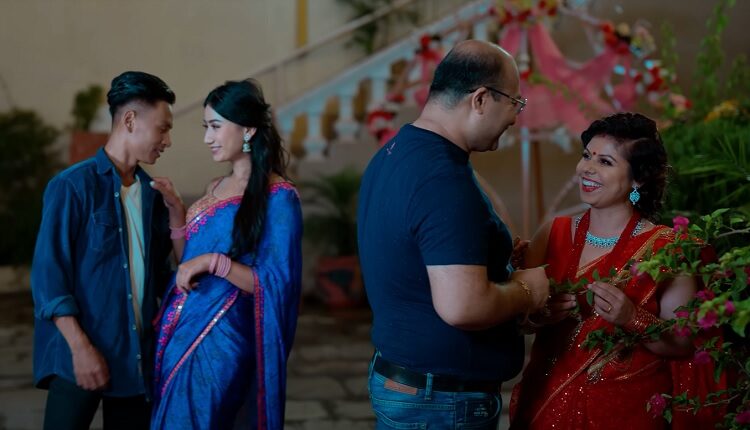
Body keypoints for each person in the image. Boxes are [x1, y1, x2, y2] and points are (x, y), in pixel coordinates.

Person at [357, 39, 550, 430]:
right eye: (515, 102)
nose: (515, 118)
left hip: (412, 381)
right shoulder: (441, 179)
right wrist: (527, 290)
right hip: (439, 401)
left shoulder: (399, 150)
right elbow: (463, 306)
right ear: (480, 99)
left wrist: (493, 257)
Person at [509, 112, 722, 429]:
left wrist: (632, 318)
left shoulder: (667, 249)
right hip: (547, 401)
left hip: (629, 410)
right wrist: (539, 316)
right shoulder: (553, 234)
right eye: (586, 156)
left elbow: (683, 343)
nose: (587, 169)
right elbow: (517, 320)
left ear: (638, 179)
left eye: (605, 162)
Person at [149, 79, 302, 430]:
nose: (208, 138)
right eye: (206, 127)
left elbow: (275, 283)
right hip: (181, 329)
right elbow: (187, 263)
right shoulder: (215, 187)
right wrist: (176, 212)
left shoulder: (279, 198)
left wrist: (214, 263)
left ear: (247, 129)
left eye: (216, 126)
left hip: (223, 341)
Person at [31, 71, 177, 430]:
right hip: (78, 354)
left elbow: (161, 277)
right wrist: (80, 348)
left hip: (136, 359)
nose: (167, 141)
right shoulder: (71, 187)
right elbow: (48, 278)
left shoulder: (154, 197)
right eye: (162, 129)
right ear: (130, 120)